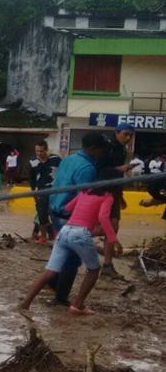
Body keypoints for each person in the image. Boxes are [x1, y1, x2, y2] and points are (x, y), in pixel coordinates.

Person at [20, 168, 124, 315]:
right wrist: (114, 239)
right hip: (80, 234)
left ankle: (25, 304)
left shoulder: (84, 191)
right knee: (94, 270)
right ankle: (78, 304)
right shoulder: (108, 197)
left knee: (50, 272)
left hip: (65, 230)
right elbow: (103, 218)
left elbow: (68, 208)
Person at [47, 132, 109, 306]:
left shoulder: (68, 159)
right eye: (100, 150)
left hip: (55, 210)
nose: (101, 154)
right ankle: (60, 298)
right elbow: (85, 197)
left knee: (60, 250)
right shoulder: (87, 169)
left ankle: (52, 283)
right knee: (72, 259)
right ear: (92, 149)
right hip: (68, 215)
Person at [98, 122, 134, 278]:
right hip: (102, 192)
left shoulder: (121, 150)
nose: (128, 138)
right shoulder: (108, 148)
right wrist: (120, 169)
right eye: (126, 134)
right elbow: (100, 171)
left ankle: (107, 263)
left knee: (113, 226)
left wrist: (121, 196)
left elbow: (117, 176)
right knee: (109, 227)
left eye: (131, 135)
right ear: (117, 132)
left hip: (114, 192)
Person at [28, 141, 61, 243]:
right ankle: (43, 237)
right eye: (37, 151)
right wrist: (33, 192)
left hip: (55, 190)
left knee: (55, 214)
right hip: (41, 191)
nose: (39, 153)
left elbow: (62, 173)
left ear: (46, 150)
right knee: (41, 215)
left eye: (41, 151)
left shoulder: (56, 160)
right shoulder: (33, 162)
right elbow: (32, 179)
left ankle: (57, 237)